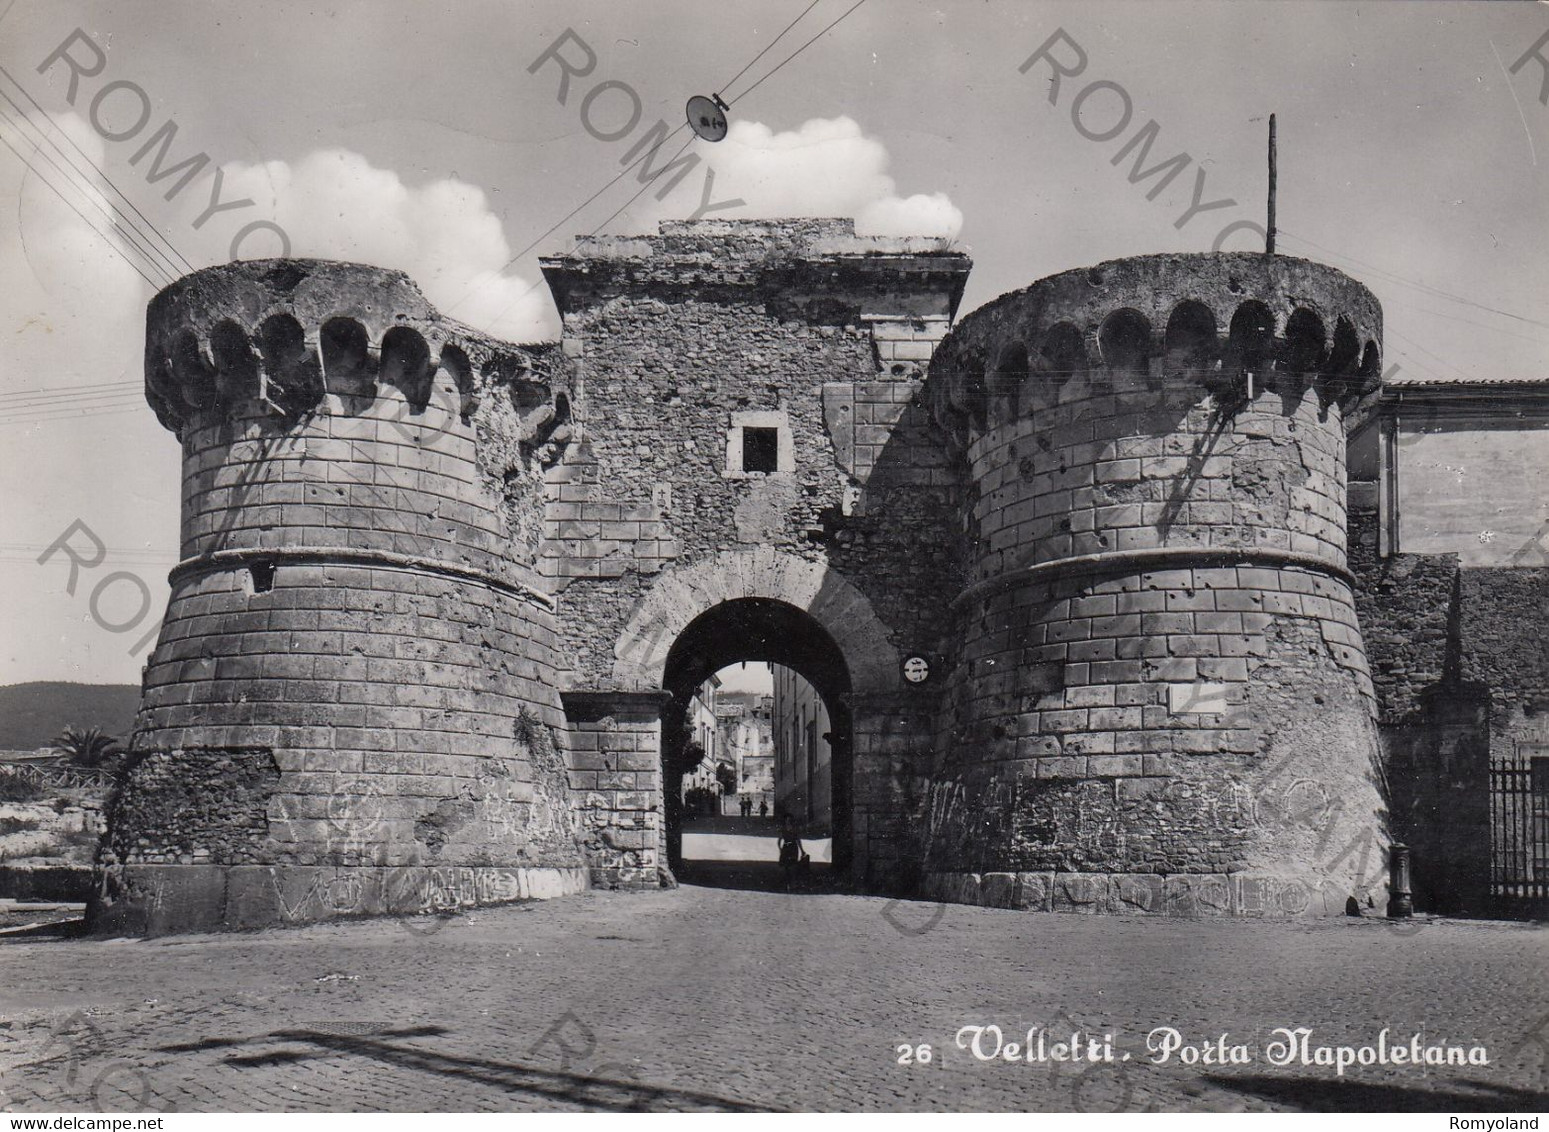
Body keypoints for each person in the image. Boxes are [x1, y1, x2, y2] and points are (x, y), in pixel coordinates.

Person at [777, 814, 808, 892]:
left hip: (793, 848)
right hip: (786, 847)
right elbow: (779, 840)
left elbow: (798, 840)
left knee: (793, 866)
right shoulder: (783, 829)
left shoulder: (794, 830)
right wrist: (780, 849)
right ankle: (788, 883)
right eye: (787, 820)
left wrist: (802, 850)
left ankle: (792, 883)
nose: (788, 822)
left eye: (789, 820)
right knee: (786, 866)